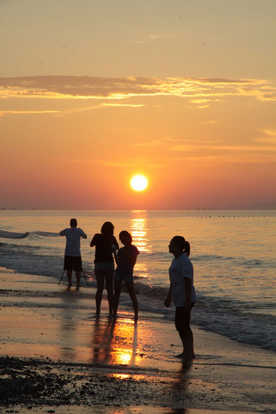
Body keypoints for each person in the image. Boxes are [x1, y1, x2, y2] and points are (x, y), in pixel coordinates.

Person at [164, 235, 196, 366]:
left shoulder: (184, 261)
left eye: (171, 244)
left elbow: (188, 281)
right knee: (180, 325)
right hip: (179, 298)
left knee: (183, 326)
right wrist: (169, 296)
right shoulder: (176, 260)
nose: (169, 246)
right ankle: (187, 351)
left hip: (186, 299)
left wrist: (188, 300)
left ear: (177, 246)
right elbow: (173, 281)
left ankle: (190, 352)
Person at [90, 221, 119, 315]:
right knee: (110, 289)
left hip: (98, 264)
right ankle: (111, 310)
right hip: (109, 264)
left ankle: (98, 310)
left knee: (100, 288)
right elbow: (117, 248)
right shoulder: (112, 238)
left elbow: (91, 244)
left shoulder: (97, 236)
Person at [113, 231, 139, 321]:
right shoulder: (121, 250)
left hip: (127, 272)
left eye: (124, 237)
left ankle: (136, 314)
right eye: (121, 238)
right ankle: (114, 312)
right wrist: (115, 253)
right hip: (119, 272)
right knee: (116, 293)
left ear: (129, 237)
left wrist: (119, 254)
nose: (123, 240)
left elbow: (133, 262)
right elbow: (118, 263)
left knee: (132, 293)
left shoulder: (133, 249)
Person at [60, 218, 87, 290]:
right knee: (78, 270)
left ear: (70, 224)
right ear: (76, 223)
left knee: (69, 269)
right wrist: (80, 235)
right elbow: (85, 236)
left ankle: (70, 283)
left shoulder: (67, 230)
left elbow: (60, 233)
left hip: (68, 253)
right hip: (77, 253)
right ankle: (78, 283)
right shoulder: (79, 230)